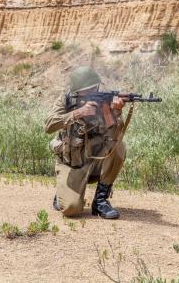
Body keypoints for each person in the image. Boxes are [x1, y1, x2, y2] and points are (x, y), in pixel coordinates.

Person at [44, 66, 126, 219]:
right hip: (71, 163)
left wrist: (116, 112)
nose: (92, 93)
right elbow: (48, 125)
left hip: (94, 161)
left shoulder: (104, 102)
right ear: (77, 90)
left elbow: (115, 136)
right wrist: (78, 113)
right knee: (71, 209)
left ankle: (100, 201)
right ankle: (63, 191)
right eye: (87, 90)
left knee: (118, 147)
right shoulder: (66, 100)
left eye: (94, 88)